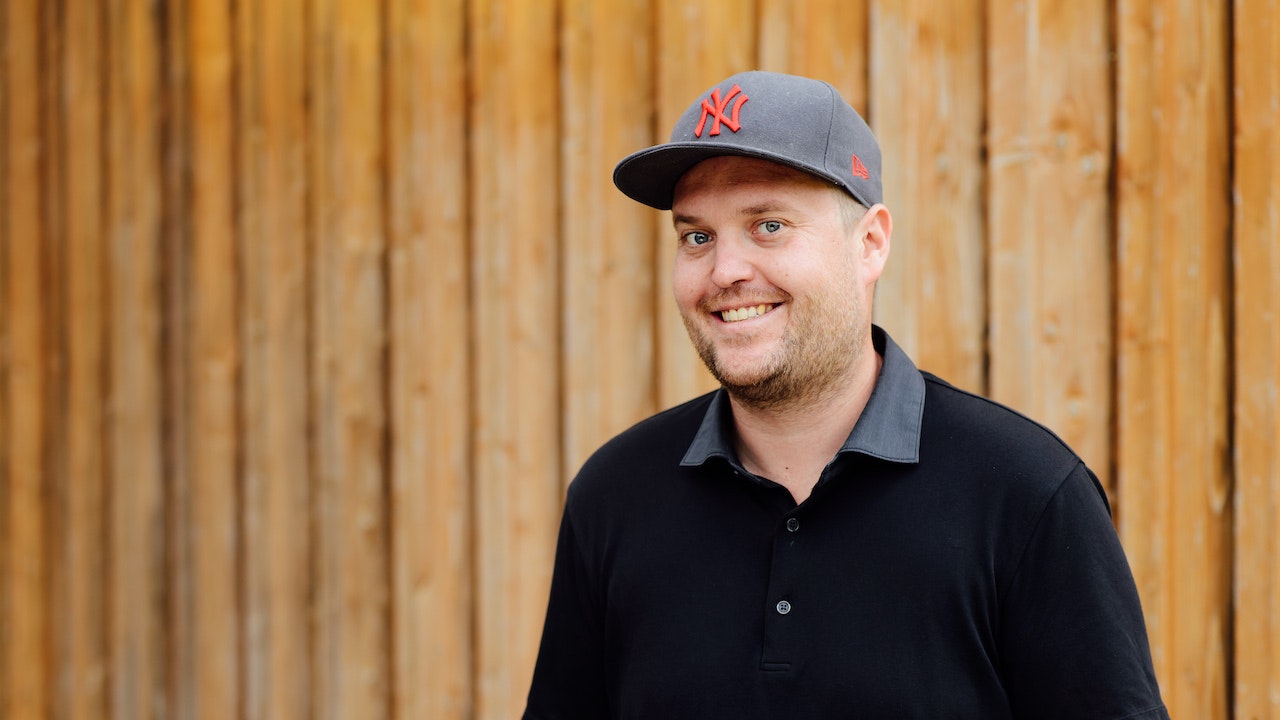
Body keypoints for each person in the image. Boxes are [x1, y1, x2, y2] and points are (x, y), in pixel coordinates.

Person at [523, 70, 1168, 719]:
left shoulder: (1024, 496)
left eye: (768, 226)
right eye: (697, 237)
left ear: (870, 244)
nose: (725, 271)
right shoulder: (614, 497)